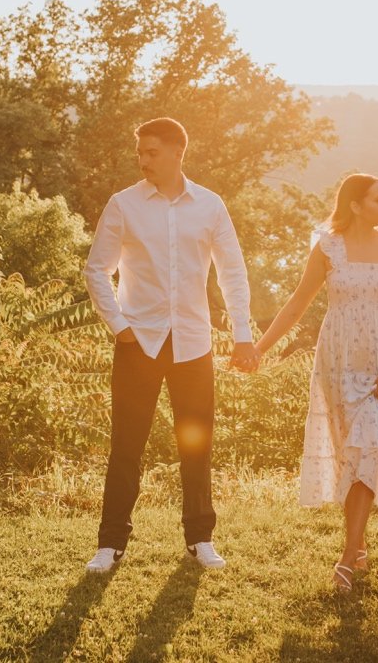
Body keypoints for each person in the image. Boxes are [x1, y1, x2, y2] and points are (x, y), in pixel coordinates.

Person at [82, 117, 258, 573]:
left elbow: (233, 273)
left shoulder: (211, 206)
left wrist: (243, 334)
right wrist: (119, 325)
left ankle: (200, 538)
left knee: (196, 445)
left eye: (152, 152)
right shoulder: (123, 205)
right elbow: (96, 269)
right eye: (140, 153)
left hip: (194, 345)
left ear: (179, 151)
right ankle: (110, 543)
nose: (143, 161)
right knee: (126, 445)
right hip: (138, 342)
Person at [251, 173, 378, 592]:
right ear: (355, 205)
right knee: (350, 455)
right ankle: (358, 545)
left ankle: (345, 557)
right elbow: (296, 305)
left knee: (368, 446)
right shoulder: (327, 247)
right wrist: (259, 348)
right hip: (337, 362)